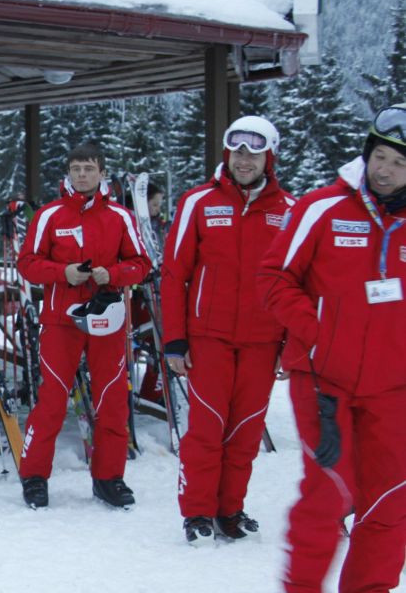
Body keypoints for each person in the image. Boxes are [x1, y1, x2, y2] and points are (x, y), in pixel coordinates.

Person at [260, 103, 406, 593]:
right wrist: (317, 331)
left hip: (394, 386)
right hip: (324, 379)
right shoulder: (322, 209)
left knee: (393, 494)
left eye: (398, 163)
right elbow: (275, 277)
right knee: (330, 487)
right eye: (380, 157)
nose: (385, 170)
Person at [160, 116, 295, 544]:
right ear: (226, 154)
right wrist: (175, 339)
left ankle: (230, 509)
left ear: (267, 158)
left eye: (253, 154)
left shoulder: (289, 211)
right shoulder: (198, 202)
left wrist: (291, 345)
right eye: (237, 152)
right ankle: (197, 511)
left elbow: (300, 283)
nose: (244, 161)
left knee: (245, 430)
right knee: (207, 427)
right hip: (208, 336)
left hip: (263, 339)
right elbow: (173, 274)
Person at [16, 143, 151, 509]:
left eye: (89, 168)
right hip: (61, 320)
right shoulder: (50, 215)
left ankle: (109, 478)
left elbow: (141, 262)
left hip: (107, 318)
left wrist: (115, 273)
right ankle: (35, 477)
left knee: (112, 399)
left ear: (102, 173)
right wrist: (64, 273)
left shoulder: (120, 217)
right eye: (76, 168)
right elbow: (27, 262)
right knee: (51, 402)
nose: (81, 175)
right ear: (68, 173)